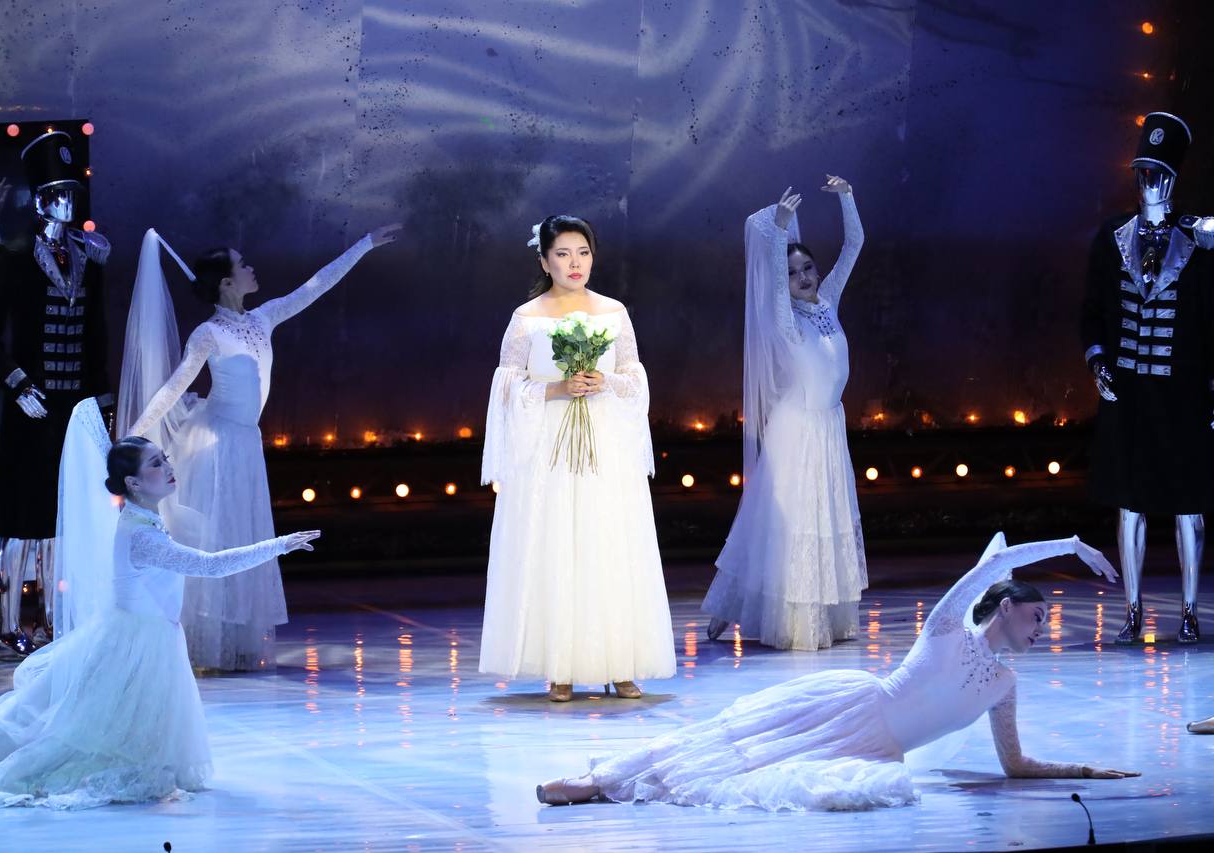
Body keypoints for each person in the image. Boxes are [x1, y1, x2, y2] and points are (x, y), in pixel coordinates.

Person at [538, 534, 1138, 810]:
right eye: (1036, 616)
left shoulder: (1005, 686)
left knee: (751, 769)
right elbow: (995, 562)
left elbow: (1015, 765)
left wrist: (1083, 770)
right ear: (1005, 609)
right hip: (851, 707)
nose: (1041, 629)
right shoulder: (946, 627)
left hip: (876, 751)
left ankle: (605, 789)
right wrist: (1071, 545)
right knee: (732, 748)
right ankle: (596, 781)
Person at [0, 398, 319, 809]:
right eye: (155, 463)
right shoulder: (142, 535)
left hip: (145, 635)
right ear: (133, 483)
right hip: (135, 643)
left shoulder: (144, 521)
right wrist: (278, 545)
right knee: (86, 744)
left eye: (164, 458)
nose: (167, 466)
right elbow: (209, 565)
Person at [120, 224, 399, 671]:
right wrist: (134, 434)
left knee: (242, 537)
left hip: (245, 443)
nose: (252, 269)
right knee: (218, 539)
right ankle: (205, 645)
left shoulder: (262, 318)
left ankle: (237, 643)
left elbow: (315, 286)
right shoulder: (208, 334)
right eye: (243, 265)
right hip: (216, 446)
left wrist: (364, 245)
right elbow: (174, 388)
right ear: (227, 282)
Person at [478, 215, 676, 702]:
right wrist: (556, 389)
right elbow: (506, 386)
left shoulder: (613, 311)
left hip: (605, 445)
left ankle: (621, 662)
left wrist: (605, 381)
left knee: (609, 544)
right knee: (556, 546)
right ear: (544, 261)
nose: (575, 263)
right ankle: (560, 667)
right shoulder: (527, 317)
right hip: (549, 446)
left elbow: (634, 378)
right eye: (563, 254)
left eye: (583, 252)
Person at [703, 176, 867, 650]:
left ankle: (823, 615)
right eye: (794, 273)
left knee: (823, 522)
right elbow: (777, 285)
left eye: (808, 268)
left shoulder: (829, 301)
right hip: (797, 433)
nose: (804, 277)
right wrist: (778, 231)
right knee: (780, 526)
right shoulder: (786, 320)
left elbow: (854, 245)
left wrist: (847, 198)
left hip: (828, 428)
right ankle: (734, 607)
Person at [0, 130, 113, 655]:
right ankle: (9, 621)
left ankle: (53, 618)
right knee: (21, 518)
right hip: (29, 405)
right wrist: (17, 383)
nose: (66, 203)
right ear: (38, 200)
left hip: (73, 409)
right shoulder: (13, 256)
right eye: (57, 194)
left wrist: (100, 403)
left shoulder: (89, 258)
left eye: (71, 193)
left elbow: (96, 336)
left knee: (61, 516)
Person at [1080, 111, 1214, 644]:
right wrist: (1098, 362)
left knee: (1189, 505)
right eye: (1143, 172)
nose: (1149, 183)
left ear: (1174, 180)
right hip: (1130, 395)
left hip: (1182, 394)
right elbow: (1092, 311)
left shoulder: (1199, 239)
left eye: (1158, 174)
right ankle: (1132, 612)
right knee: (1129, 505)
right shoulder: (1112, 237)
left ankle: (1189, 612)